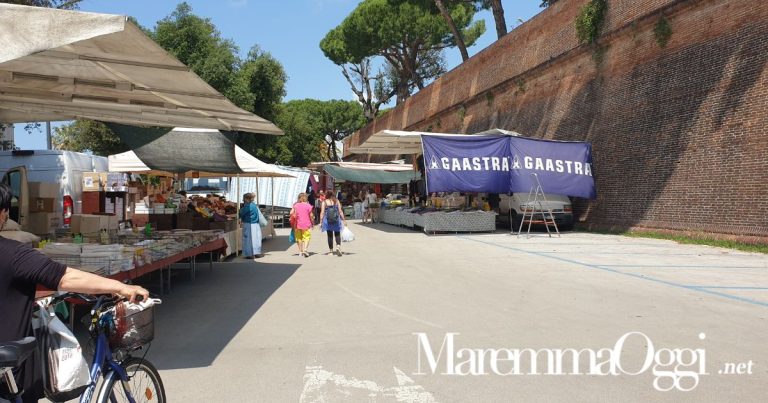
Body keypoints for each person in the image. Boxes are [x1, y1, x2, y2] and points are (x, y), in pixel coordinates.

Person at [0, 183, 149, 403]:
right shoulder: (14, 254)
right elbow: (65, 277)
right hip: (8, 369)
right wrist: (121, 287)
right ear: (3, 214)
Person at [320, 190, 347, 256]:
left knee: (329, 235)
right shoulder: (336, 201)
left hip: (327, 220)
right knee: (337, 233)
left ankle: (331, 251)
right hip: (336, 220)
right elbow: (340, 211)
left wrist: (321, 221)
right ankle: (338, 246)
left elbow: (322, 212)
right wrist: (344, 220)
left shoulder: (324, 202)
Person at [239, 193, 263, 260]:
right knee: (256, 239)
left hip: (249, 224)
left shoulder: (247, 206)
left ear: (246, 199)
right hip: (256, 224)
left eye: (243, 198)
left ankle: (249, 254)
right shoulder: (254, 205)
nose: (243, 199)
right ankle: (257, 252)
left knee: (248, 239)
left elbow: (241, 213)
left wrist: (240, 211)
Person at [290, 193, 315, 258]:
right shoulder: (308, 205)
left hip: (297, 224)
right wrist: (312, 223)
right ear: (305, 198)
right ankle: (305, 250)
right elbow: (311, 215)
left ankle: (300, 252)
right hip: (306, 224)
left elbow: (291, 213)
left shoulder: (296, 205)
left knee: (299, 238)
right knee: (306, 237)